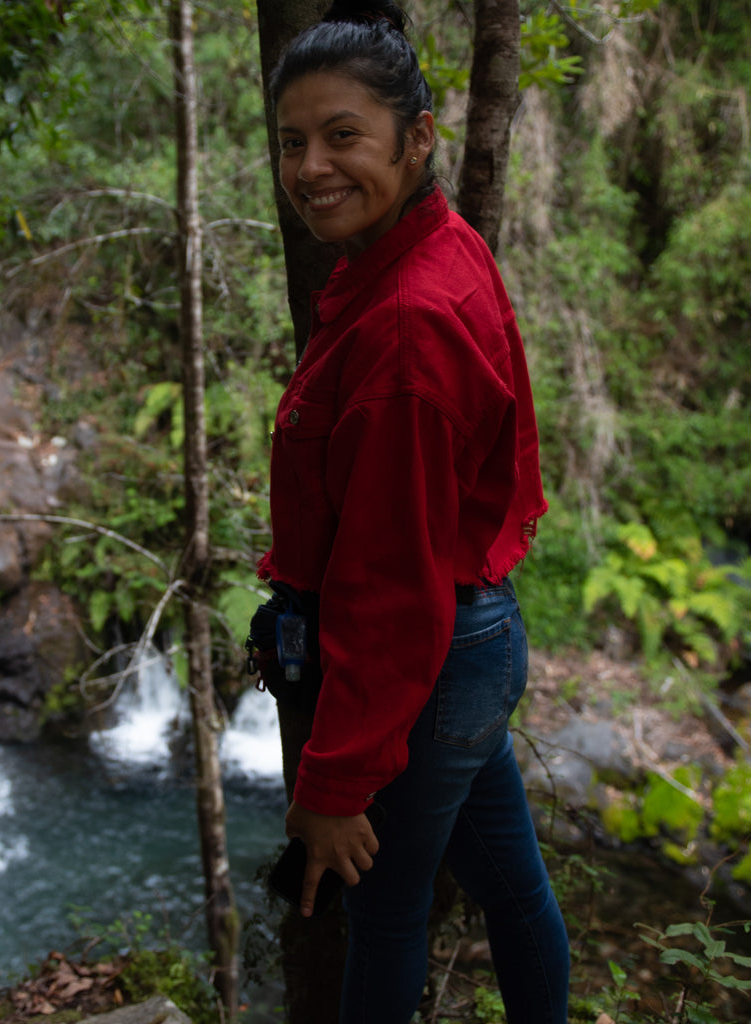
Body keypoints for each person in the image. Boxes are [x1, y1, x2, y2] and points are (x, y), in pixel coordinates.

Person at [253, 1, 572, 1020]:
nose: (310, 167)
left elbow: (390, 592)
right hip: (475, 644)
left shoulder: (406, 326)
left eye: (343, 136)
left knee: (383, 914)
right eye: (293, 142)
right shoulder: (433, 247)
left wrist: (335, 784)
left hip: (428, 662)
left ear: (419, 136)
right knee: (513, 888)